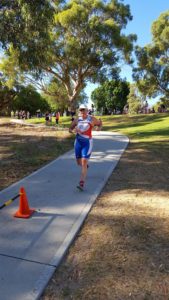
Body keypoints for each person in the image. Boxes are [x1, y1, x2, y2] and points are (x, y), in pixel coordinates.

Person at [69, 104, 102, 191]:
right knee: (79, 163)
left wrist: (99, 128)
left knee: (83, 162)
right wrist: (72, 130)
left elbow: (100, 123)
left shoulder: (91, 119)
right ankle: (85, 167)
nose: (82, 112)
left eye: (84, 110)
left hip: (87, 143)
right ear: (79, 111)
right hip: (78, 143)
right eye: (81, 110)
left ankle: (81, 182)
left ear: (87, 111)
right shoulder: (77, 120)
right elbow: (70, 128)